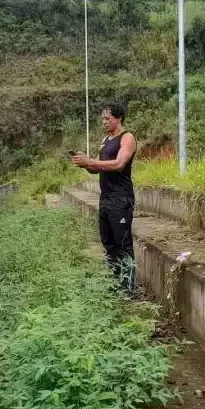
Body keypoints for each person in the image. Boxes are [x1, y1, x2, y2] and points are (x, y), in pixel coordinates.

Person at [71, 102, 137, 294]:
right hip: (106, 197)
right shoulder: (106, 140)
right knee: (109, 243)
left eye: (108, 119)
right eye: (103, 119)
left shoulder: (127, 138)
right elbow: (98, 168)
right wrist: (86, 164)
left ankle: (127, 288)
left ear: (119, 118)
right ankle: (115, 282)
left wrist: (91, 161)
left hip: (121, 198)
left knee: (122, 243)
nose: (104, 122)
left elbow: (119, 164)